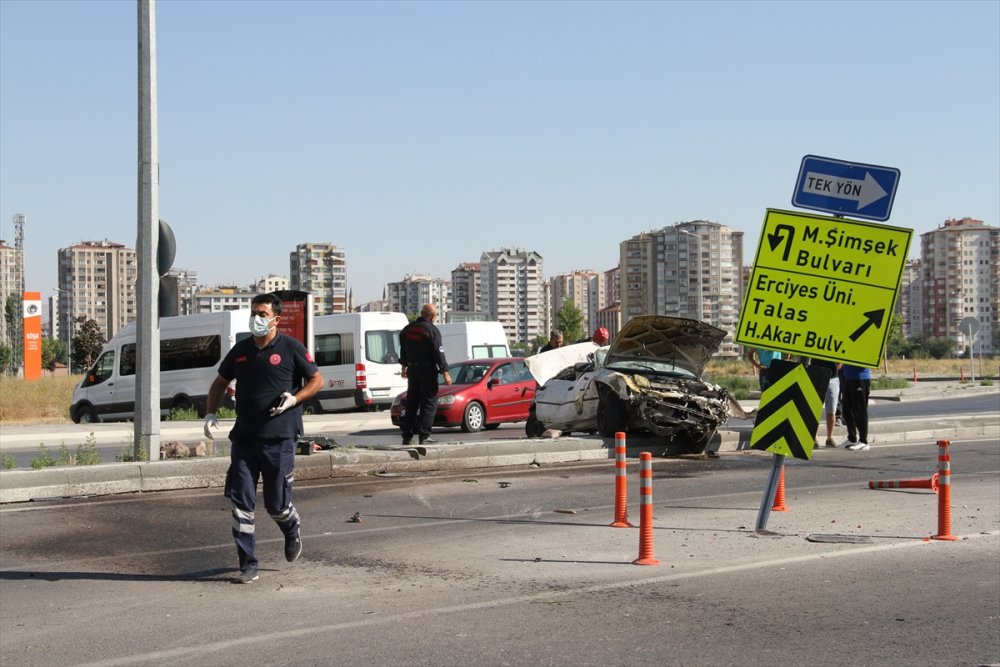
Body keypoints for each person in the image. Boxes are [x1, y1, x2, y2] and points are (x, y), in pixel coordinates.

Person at [203, 293, 324, 584]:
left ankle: (291, 528)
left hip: (279, 438)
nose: (256, 318)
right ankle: (248, 564)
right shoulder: (241, 350)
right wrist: (210, 412)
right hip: (244, 439)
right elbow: (220, 382)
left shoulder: (291, 348)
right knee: (241, 504)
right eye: (253, 313)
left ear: (276, 319)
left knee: (276, 505)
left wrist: (295, 399)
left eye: (262, 314)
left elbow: (317, 380)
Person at [399, 304, 452, 445]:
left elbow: (403, 351)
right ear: (432, 317)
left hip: (413, 371)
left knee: (411, 404)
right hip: (427, 371)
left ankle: (407, 436)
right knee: (429, 403)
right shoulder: (432, 330)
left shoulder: (407, 330)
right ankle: (424, 436)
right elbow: (439, 353)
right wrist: (445, 372)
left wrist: (404, 367)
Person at [809, 358, 840, 448]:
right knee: (815, 410)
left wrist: (839, 365)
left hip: (833, 378)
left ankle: (830, 438)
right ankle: (814, 438)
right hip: (817, 376)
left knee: (831, 411)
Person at [840, 363, 872, 451]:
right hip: (849, 378)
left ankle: (863, 441)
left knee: (860, 411)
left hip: (860, 378)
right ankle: (852, 439)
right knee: (846, 409)